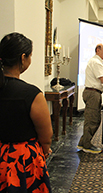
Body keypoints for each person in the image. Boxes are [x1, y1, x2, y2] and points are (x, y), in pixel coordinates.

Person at [0, 32, 53, 192]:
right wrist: (44, 150)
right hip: (23, 160)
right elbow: (46, 136)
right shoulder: (31, 94)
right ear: (23, 58)